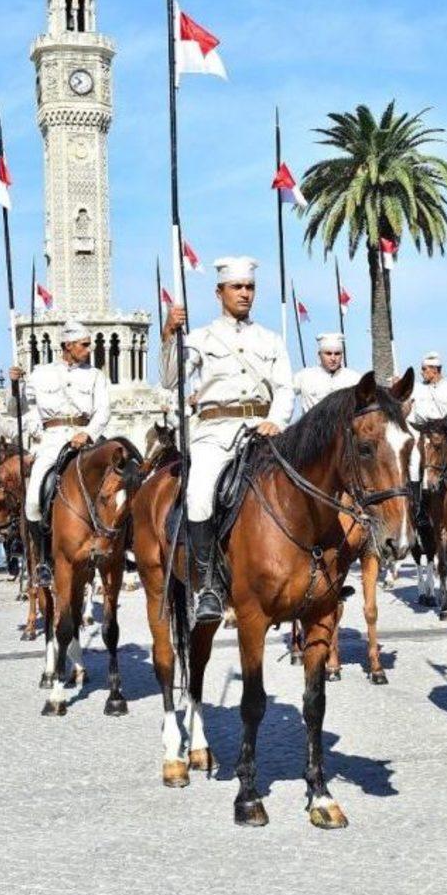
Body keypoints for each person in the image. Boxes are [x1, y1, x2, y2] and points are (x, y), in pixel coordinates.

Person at [161, 256, 294, 623]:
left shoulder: (270, 339)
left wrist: (276, 420)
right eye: (237, 287)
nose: (245, 294)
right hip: (215, 433)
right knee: (199, 495)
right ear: (219, 292)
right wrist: (170, 335)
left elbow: (285, 388)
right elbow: (172, 380)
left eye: (249, 287)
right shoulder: (200, 338)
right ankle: (208, 586)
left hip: (264, 432)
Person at [9, 319, 111, 583]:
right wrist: (14, 386)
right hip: (53, 441)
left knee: (119, 486)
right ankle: (43, 559)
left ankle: (121, 545)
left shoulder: (95, 375)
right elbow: (18, 410)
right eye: (84, 345)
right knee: (32, 502)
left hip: (87, 439)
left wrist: (87, 433)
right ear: (68, 345)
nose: (89, 350)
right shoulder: (40, 374)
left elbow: (103, 411)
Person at [408, 351, 447, 508]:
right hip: (424, 433)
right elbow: (411, 413)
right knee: (414, 462)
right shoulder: (416, 389)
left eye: (424, 369)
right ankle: (418, 507)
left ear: (435, 370)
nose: (422, 372)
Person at [294, 332, 361, 413]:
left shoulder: (354, 379)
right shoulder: (304, 376)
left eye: (337, 354)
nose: (333, 358)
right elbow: (284, 392)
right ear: (319, 355)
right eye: (328, 354)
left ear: (342, 355)